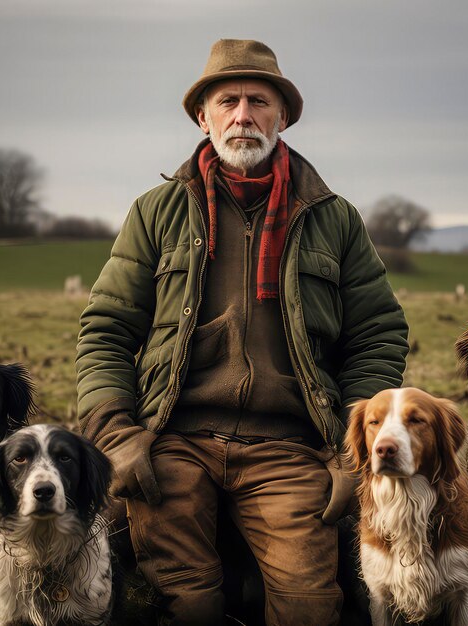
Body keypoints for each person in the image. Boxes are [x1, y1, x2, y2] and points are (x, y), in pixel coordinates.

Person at [76, 39, 409, 626]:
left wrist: (351, 453)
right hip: (172, 440)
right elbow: (105, 330)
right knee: (188, 602)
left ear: (283, 116)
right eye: (227, 100)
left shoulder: (334, 218)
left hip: (288, 447)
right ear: (202, 118)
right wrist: (117, 436)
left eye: (259, 100)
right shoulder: (156, 212)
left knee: (309, 604)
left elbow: (377, 336)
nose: (243, 115)